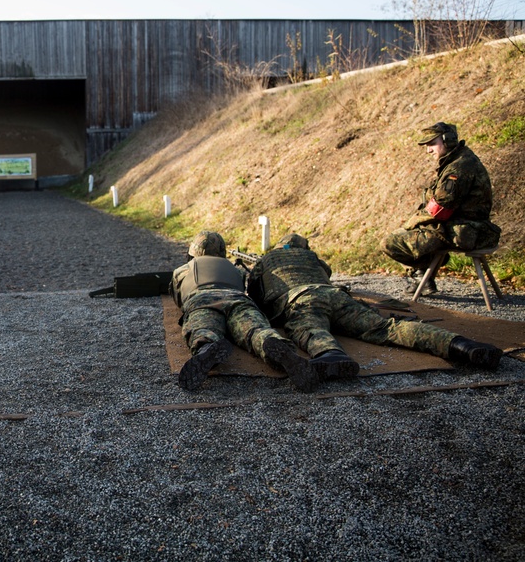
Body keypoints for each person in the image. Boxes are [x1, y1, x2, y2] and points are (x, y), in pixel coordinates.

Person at [247, 233, 503, 376]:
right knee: (387, 328)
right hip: (335, 296)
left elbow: (256, 296)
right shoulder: (312, 257)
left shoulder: (267, 260)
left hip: (300, 299)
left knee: (309, 328)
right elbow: (326, 272)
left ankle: (331, 355)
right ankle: (460, 344)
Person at [171, 230, 318, 393]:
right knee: (256, 330)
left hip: (203, 298)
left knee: (203, 328)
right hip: (238, 299)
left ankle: (206, 346)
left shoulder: (182, 270)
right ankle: (271, 343)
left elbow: (179, 297)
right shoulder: (236, 270)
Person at [381, 121, 500, 294]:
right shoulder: (460, 159)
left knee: (390, 242)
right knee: (413, 233)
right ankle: (423, 277)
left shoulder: (458, 168)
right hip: (461, 226)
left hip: (462, 229)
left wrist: (412, 222)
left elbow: (441, 209)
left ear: (448, 141)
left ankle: (422, 275)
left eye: (432, 144)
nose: (428, 150)